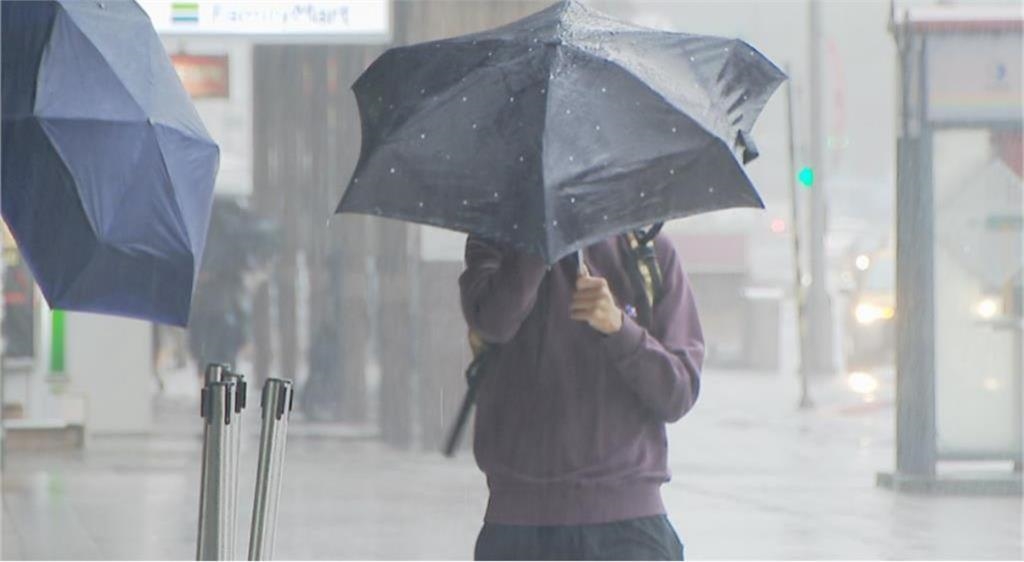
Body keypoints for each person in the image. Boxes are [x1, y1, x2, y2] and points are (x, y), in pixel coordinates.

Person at [459, 231, 705, 561]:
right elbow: (494, 322)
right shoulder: (493, 242)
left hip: (628, 526)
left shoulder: (647, 251)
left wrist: (620, 329)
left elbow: (678, 392)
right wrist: (538, 246)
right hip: (517, 526)